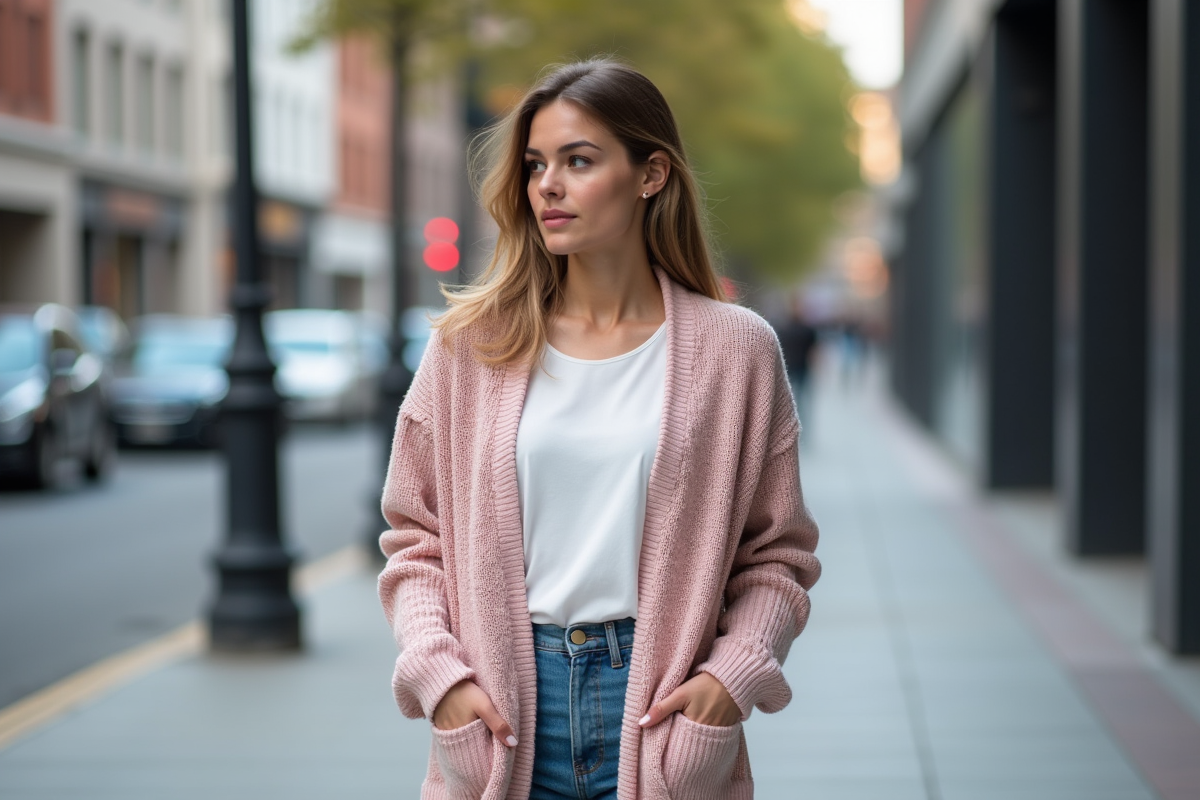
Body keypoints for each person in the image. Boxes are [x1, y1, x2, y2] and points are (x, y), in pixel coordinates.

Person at [378, 59, 821, 800]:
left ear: (651, 174)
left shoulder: (736, 350)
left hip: (662, 711)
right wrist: (439, 675)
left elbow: (778, 553)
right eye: (535, 165)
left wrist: (729, 676)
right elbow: (413, 537)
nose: (547, 185)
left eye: (578, 161)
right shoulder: (470, 347)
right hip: (504, 711)